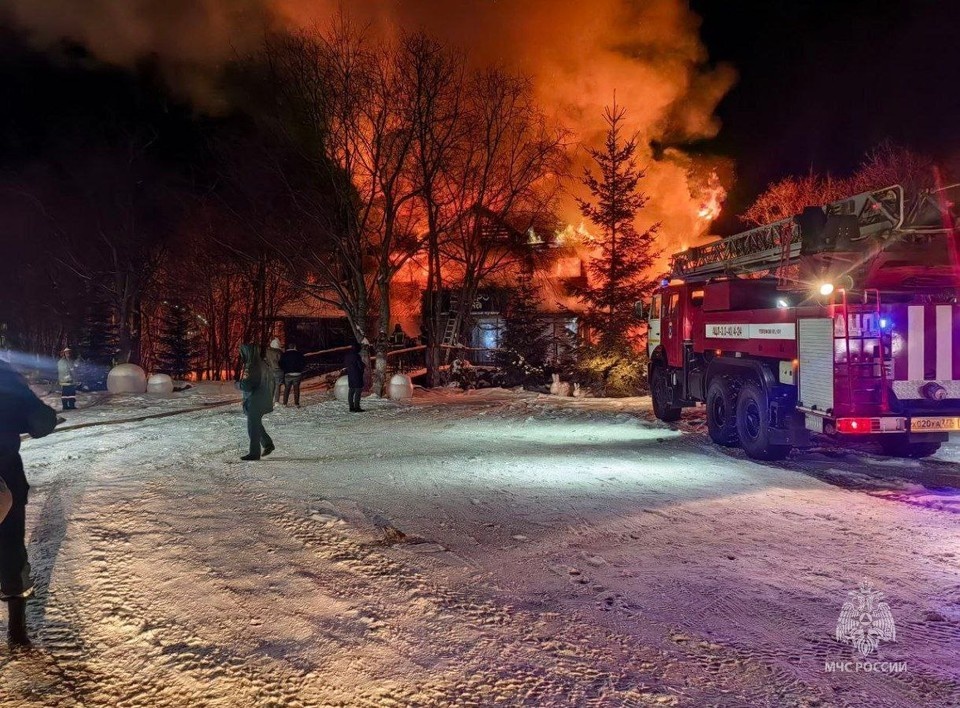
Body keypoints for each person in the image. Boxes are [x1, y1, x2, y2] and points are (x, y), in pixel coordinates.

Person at [0, 358, 58, 647]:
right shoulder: (6, 376)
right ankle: (17, 631)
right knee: (10, 549)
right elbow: (41, 421)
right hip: (5, 480)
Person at [238, 343, 275, 461]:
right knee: (256, 423)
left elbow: (247, 385)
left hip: (254, 400)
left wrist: (237, 384)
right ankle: (268, 444)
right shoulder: (263, 363)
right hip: (263, 398)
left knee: (252, 427)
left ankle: (254, 453)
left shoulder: (251, 366)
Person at [279, 343, 306, 407]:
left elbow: (280, 363)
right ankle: (296, 403)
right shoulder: (299, 354)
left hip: (288, 374)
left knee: (287, 389)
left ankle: (285, 403)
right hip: (297, 374)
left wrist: (284, 369)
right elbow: (304, 362)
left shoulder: (284, 355)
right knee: (296, 389)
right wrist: (300, 369)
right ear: (294, 347)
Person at [344, 339, 366, 413]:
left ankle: (351, 407)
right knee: (358, 391)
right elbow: (360, 365)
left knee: (351, 391)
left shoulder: (347, 356)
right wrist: (363, 366)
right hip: (357, 375)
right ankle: (357, 407)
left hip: (350, 375)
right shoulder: (357, 356)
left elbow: (346, 365)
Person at [265, 338, 284, 404]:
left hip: (270, 371)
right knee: (277, 386)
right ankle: (276, 401)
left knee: (271, 386)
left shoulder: (267, 351)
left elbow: (265, 361)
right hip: (279, 371)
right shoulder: (280, 352)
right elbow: (282, 362)